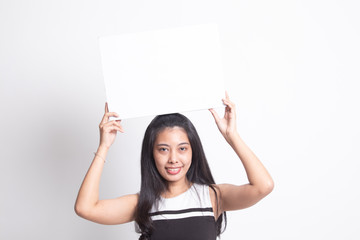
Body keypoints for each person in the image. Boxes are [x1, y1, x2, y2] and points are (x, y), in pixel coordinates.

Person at [75, 93, 274, 240]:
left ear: (193, 151)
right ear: (151, 154)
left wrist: (232, 136)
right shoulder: (143, 203)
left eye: (182, 148)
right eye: (163, 149)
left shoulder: (212, 197)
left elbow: (263, 186)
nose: (173, 159)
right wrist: (104, 146)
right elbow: (85, 208)